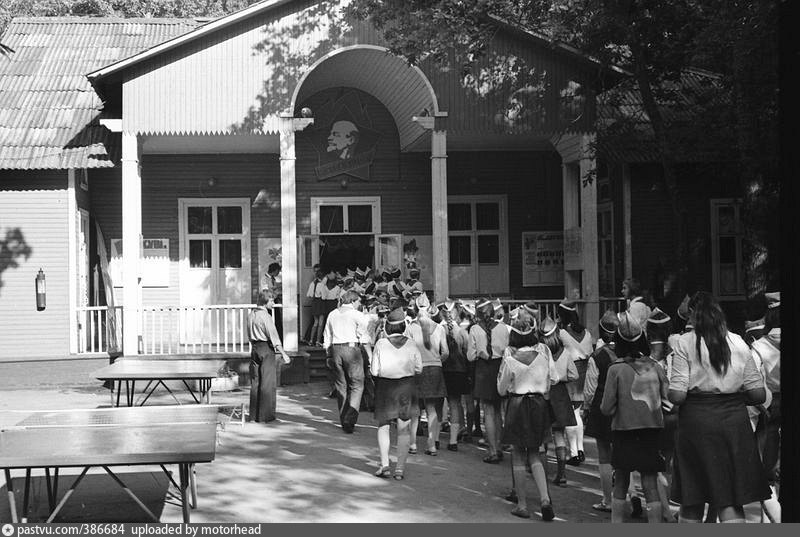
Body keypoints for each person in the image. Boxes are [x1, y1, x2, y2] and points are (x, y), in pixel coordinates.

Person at [668, 291, 770, 523]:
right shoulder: (738, 342)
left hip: (696, 423)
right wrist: (733, 397)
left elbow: (677, 395)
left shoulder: (684, 342)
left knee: (692, 498)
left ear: (693, 315)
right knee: (730, 498)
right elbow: (758, 393)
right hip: (734, 424)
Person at [601, 312, 669, 524]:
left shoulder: (616, 369)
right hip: (651, 430)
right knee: (649, 482)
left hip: (624, 431)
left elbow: (606, 408)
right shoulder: (656, 367)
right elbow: (667, 400)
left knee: (621, 480)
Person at [497, 311, 557, 521]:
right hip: (539, 404)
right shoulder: (544, 354)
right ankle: (545, 499)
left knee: (518, 454)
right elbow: (554, 379)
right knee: (535, 453)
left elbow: (501, 389)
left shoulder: (510, 358)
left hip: (517, 404)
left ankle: (522, 504)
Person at [371, 307, 423, 480]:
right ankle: (400, 468)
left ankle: (385, 464)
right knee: (404, 428)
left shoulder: (380, 344)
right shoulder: (411, 344)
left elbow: (375, 371)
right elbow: (419, 368)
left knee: (383, 426)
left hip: (386, 387)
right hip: (406, 387)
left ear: (388, 326)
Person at [582, 309, 620, 513]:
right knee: (625, 455)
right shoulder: (632, 354)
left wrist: (587, 408)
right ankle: (631, 494)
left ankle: (608, 500)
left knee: (605, 456)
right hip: (626, 408)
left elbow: (589, 390)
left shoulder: (597, 357)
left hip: (602, 409)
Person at [750, 291, 781, 522]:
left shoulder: (759, 345)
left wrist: (763, 412)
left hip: (771, 408)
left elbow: (756, 386)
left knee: (766, 471)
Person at [323, 290, 372, 433]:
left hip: (336, 349)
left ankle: (344, 417)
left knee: (341, 386)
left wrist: (328, 354)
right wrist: (369, 356)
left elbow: (327, 335)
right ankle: (350, 418)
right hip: (352, 349)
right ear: (353, 301)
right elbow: (364, 337)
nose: (359, 304)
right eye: (358, 302)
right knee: (357, 385)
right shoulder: (357, 315)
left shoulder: (333, 314)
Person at [467, 298, 509, 463]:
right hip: (500, 368)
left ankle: (492, 450)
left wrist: (481, 352)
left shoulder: (475, 329)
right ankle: (499, 447)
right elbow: (507, 351)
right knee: (498, 411)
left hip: (484, 369)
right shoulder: (503, 328)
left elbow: (470, 356)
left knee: (488, 412)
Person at [646, 307, 678, 522]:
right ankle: (671, 507)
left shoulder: (645, 360)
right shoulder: (676, 356)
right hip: (675, 415)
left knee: (654, 467)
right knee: (669, 464)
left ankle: (665, 510)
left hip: (653, 416)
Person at [407, 298, 449, 456]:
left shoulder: (411, 327)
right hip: (435, 368)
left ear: (416, 308)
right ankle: (431, 444)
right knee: (432, 408)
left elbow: (407, 349)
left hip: (417, 369)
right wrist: (437, 360)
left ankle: (412, 444)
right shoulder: (439, 328)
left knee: (415, 409)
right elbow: (445, 352)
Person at [539, 315, 577, 485]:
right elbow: (574, 374)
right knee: (559, 434)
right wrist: (562, 378)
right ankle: (562, 474)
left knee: (543, 434)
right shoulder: (566, 353)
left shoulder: (540, 352)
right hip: (560, 395)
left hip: (544, 394)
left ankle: (542, 472)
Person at [558, 298, 592, 466]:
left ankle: (573, 451)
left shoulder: (562, 333)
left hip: (569, 373)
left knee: (570, 414)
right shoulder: (587, 332)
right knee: (577, 412)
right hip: (584, 372)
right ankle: (580, 450)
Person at [248, 290, 291, 423]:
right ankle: (265, 416)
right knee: (267, 382)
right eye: (271, 300)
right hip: (266, 348)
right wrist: (283, 353)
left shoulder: (251, 314)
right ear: (265, 301)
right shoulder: (265, 316)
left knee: (255, 382)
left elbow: (249, 334)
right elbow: (273, 336)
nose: (273, 303)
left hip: (255, 348)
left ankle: (254, 415)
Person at [438, 299, 470, 450]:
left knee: (438, 405)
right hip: (458, 372)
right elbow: (468, 354)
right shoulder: (462, 332)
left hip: (442, 370)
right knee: (455, 404)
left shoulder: (437, 330)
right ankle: (453, 442)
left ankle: (435, 438)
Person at [306, 266, 326, 347]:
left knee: (315, 322)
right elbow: (324, 297)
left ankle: (311, 340)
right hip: (320, 303)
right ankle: (317, 341)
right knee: (321, 323)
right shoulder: (321, 285)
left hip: (314, 303)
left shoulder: (312, 284)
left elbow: (309, 295)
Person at [265, 262, 283, 339]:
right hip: (268, 302)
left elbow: (275, 287)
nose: (278, 273)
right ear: (275, 270)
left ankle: (279, 339)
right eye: (278, 271)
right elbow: (265, 291)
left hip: (274, 301)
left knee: (277, 322)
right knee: (271, 322)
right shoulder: (265, 279)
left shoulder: (272, 279)